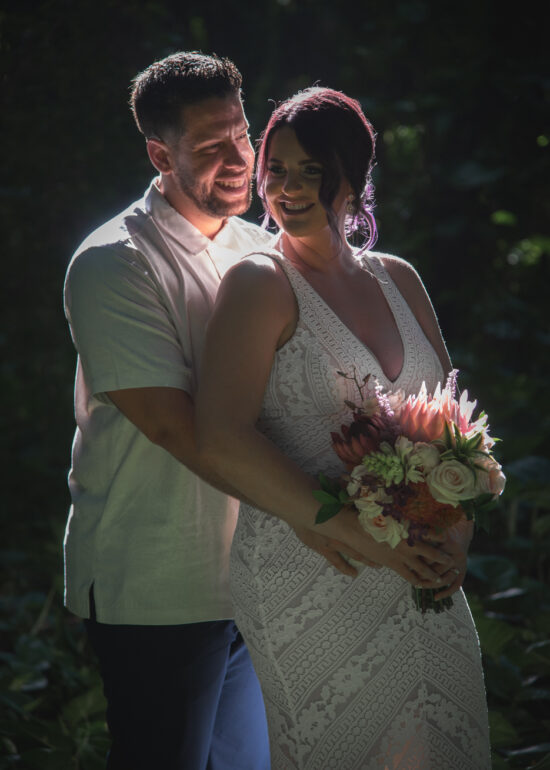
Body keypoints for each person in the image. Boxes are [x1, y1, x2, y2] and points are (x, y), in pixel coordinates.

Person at [196, 87, 491, 769]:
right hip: (315, 567)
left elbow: (454, 426)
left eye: (312, 171)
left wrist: (454, 538)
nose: (288, 189)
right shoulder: (258, 284)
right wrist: (358, 534)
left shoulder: (399, 279)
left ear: (353, 179)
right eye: (276, 169)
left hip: (422, 570)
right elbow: (220, 437)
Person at [62, 51, 279, 770]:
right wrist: (323, 514)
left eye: (242, 135)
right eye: (211, 147)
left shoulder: (265, 252)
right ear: (160, 153)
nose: (239, 158)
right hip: (157, 582)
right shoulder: (114, 262)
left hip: (252, 579)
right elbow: (175, 428)